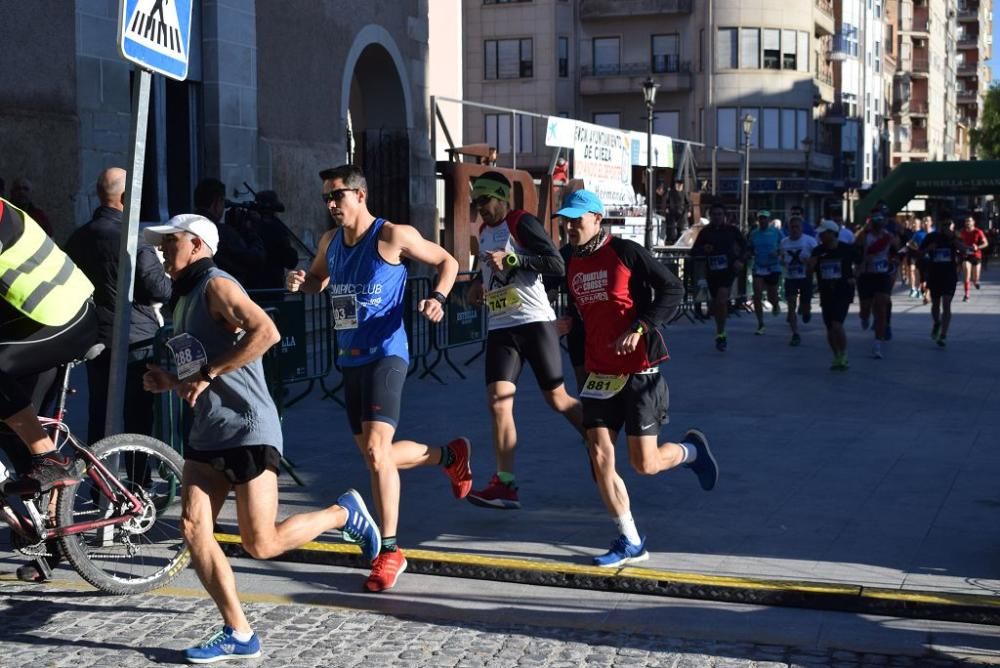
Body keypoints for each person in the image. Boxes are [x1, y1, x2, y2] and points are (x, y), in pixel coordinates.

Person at [141, 213, 380, 663]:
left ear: (195, 244)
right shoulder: (185, 297)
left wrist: (208, 373)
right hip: (209, 431)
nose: (161, 252)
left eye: (169, 243)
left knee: (261, 544)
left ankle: (341, 513)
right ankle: (238, 630)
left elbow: (266, 332)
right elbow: (203, 365)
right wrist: (172, 380)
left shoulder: (217, 284)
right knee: (194, 528)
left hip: (248, 427)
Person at [286, 164, 471, 592]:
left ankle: (389, 550)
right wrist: (300, 282)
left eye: (338, 196)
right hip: (349, 356)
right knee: (378, 455)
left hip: (388, 353)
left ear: (360, 195)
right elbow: (317, 281)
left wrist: (439, 297)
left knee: (374, 450)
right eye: (326, 198)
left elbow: (447, 260)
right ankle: (448, 456)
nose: (331, 204)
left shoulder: (391, 236)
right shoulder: (330, 242)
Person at [557, 189, 718, 567]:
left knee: (643, 465)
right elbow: (583, 314)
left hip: (638, 369)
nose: (569, 226)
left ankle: (691, 451)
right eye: (566, 220)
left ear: (597, 219)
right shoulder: (570, 262)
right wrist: (568, 326)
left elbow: (672, 289)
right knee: (598, 454)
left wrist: (642, 326)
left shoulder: (626, 252)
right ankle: (630, 539)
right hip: (599, 373)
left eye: (576, 219)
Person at [465, 171, 583, 510]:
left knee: (557, 399)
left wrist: (514, 258)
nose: (480, 209)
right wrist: (477, 281)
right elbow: (487, 264)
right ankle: (505, 484)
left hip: (535, 322)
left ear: (502, 199)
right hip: (501, 326)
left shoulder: (522, 222)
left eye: (485, 202)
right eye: (476, 203)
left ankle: (597, 435)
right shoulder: (485, 231)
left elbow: (556, 264)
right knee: (499, 402)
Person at [64, 167, 172, 445]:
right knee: (138, 418)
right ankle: (139, 482)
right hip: (137, 340)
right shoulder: (133, 239)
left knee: (100, 413)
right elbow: (158, 289)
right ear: (126, 196)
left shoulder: (78, 238)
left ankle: (100, 482)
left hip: (95, 337)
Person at [0, 197, 97, 498]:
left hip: (65, 315)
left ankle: (49, 457)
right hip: (29, 321)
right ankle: (39, 509)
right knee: (8, 423)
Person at [689, 200, 747, 351]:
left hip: (728, 271)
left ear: (725, 216)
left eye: (720, 214)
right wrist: (704, 249)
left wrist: (740, 261)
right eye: (714, 214)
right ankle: (720, 330)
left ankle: (721, 334)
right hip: (712, 272)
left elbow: (747, 248)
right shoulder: (705, 232)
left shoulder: (732, 231)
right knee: (716, 304)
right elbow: (694, 251)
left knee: (721, 300)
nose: (717, 217)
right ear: (710, 216)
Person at [809, 220, 857, 370]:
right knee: (829, 327)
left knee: (837, 324)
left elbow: (861, 263)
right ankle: (836, 355)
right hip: (826, 292)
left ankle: (843, 354)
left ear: (832, 233)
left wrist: (854, 277)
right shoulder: (817, 251)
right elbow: (809, 270)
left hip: (843, 291)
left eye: (823, 233)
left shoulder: (846, 249)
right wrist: (812, 263)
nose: (820, 235)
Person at [854, 214, 899, 359]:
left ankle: (877, 342)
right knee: (865, 309)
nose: (879, 224)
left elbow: (896, 251)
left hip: (882, 275)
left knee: (881, 306)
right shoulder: (864, 236)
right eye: (876, 222)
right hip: (867, 276)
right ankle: (864, 317)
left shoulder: (888, 236)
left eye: (881, 221)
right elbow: (856, 252)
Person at [918, 218, 960, 347]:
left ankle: (943, 335)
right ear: (940, 225)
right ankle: (937, 322)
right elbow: (919, 253)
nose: (947, 228)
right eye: (945, 225)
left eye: (949, 225)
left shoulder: (955, 237)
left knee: (946, 303)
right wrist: (929, 249)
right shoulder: (931, 237)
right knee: (935, 304)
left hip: (949, 275)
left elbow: (964, 249)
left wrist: (954, 240)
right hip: (935, 274)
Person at [779, 216, 818, 347]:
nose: (794, 229)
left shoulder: (810, 241)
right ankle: (795, 334)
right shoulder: (784, 242)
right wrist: (783, 261)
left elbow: (817, 256)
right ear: (788, 228)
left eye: (797, 227)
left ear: (801, 228)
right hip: (790, 277)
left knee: (805, 305)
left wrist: (810, 263)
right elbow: (782, 257)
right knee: (791, 305)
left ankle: (806, 309)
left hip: (805, 277)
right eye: (792, 227)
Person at [252, 190, 298, 289]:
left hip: (252, 288)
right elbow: (291, 260)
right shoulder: (276, 230)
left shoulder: (251, 227)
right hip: (272, 287)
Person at [747, 210, 784, 335]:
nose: (763, 221)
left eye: (765, 218)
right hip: (759, 266)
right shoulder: (754, 234)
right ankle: (760, 324)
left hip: (773, 267)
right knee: (757, 295)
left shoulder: (776, 232)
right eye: (761, 218)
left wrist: (778, 253)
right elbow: (750, 248)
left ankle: (775, 304)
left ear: (769, 220)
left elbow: (784, 246)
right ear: (758, 220)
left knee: (771, 296)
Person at [959, 215, 989, 302]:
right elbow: (958, 241)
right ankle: (966, 294)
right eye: (966, 221)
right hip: (966, 256)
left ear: (973, 222)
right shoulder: (962, 232)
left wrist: (978, 247)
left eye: (969, 221)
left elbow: (986, 243)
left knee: (975, 278)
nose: (968, 223)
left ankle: (976, 282)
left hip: (976, 255)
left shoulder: (978, 232)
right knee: (966, 274)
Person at [665, 179, 692, 244]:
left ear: (682, 186)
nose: (679, 186)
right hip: (673, 211)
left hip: (682, 212)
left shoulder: (684, 192)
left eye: (680, 185)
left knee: (681, 227)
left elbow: (688, 202)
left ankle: (679, 240)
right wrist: (667, 208)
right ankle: (672, 240)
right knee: (672, 227)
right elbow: (667, 201)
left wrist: (689, 211)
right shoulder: (671, 192)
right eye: (677, 185)